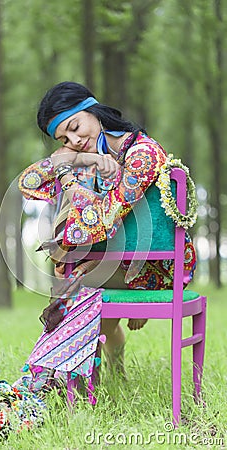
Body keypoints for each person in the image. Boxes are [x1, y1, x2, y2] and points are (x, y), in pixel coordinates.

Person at [18, 81, 196, 386]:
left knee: (73, 287)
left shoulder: (142, 153)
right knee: (73, 282)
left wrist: (71, 182)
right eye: (64, 138)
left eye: (75, 126)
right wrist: (82, 159)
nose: (74, 140)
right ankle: (91, 374)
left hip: (151, 267)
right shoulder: (92, 156)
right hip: (110, 256)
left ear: (92, 109)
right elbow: (29, 182)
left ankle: (77, 381)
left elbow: (103, 219)